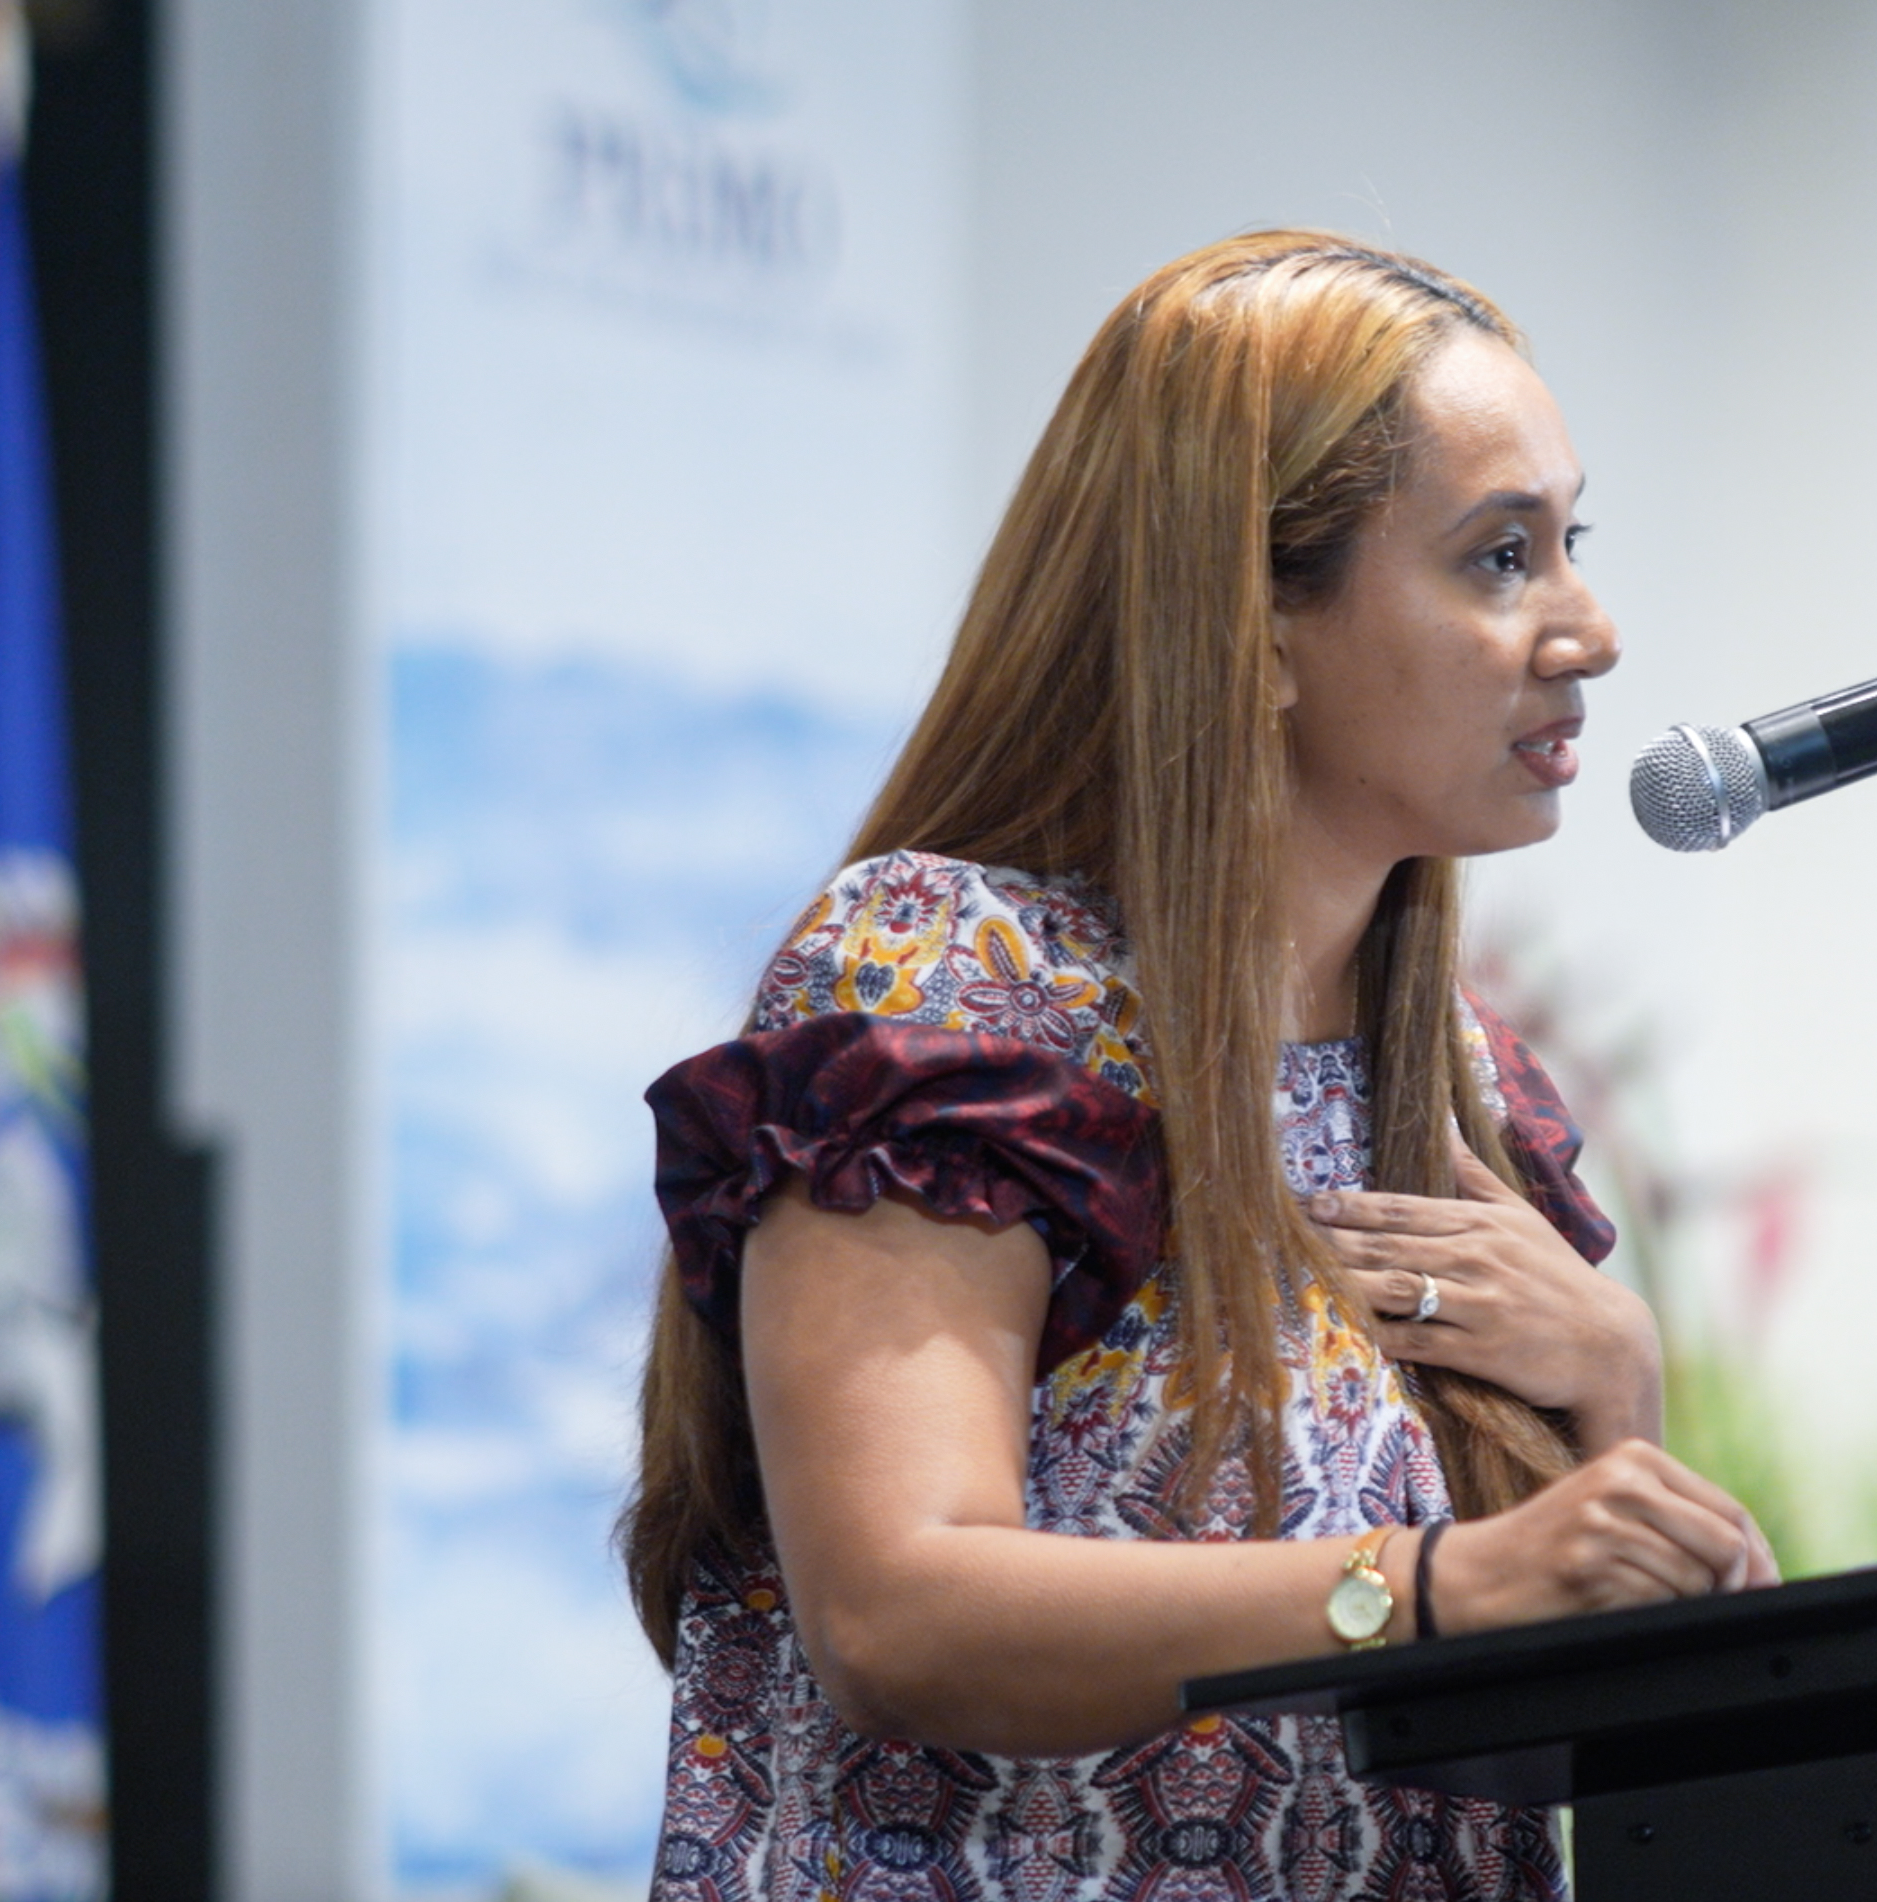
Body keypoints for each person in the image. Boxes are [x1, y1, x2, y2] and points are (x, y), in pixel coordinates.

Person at [622, 230, 1776, 1902]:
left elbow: (1592, 1728)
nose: (1587, 630)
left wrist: (1619, 1397)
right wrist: (1428, 1582)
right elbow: (896, 1607)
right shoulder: (963, 991)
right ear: (1262, 623)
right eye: (1500, 557)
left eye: (1568, 543)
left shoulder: (1455, 1078)